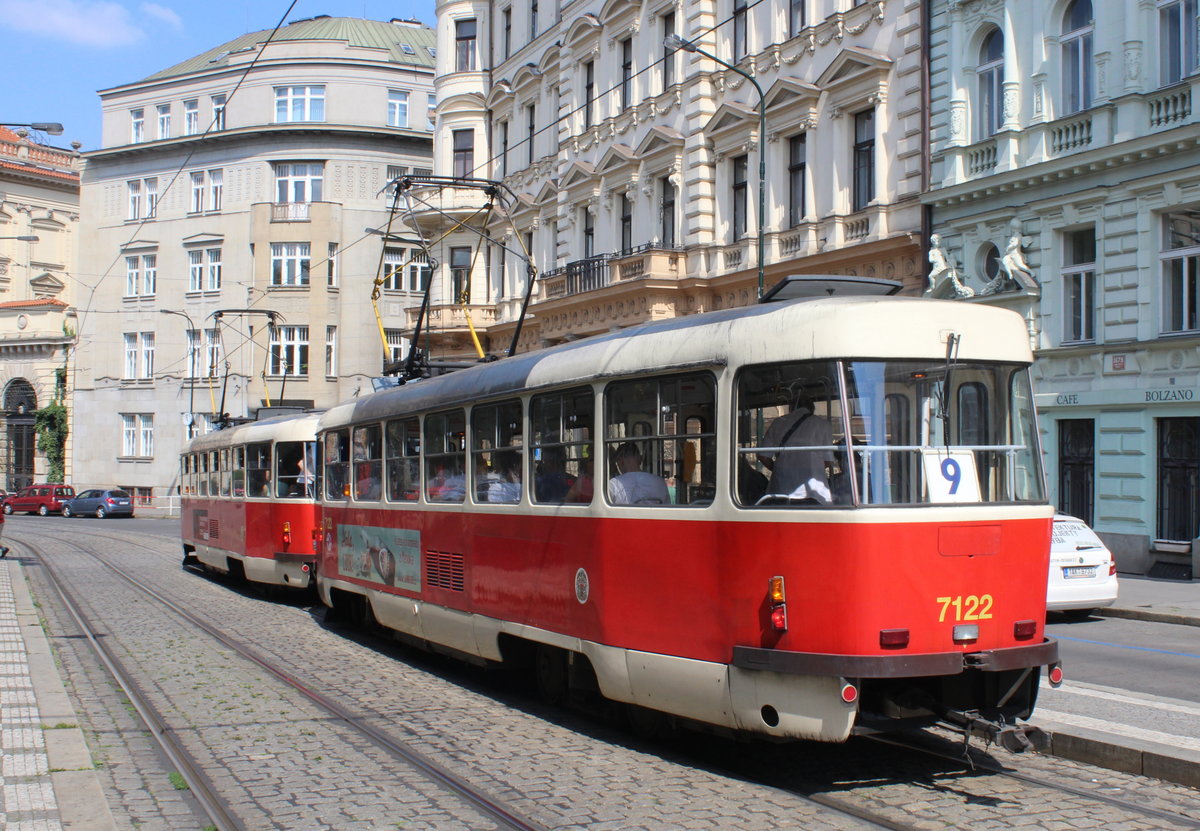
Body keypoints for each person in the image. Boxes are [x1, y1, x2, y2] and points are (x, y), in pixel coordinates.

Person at [758, 388, 835, 504]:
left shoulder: (778, 423)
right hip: (814, 493)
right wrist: (811, 468)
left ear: (791, 407)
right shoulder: (823, 424)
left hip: (781, 489)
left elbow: (762, 455)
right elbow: (828, 460)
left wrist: (780, 470)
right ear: (811, 408)